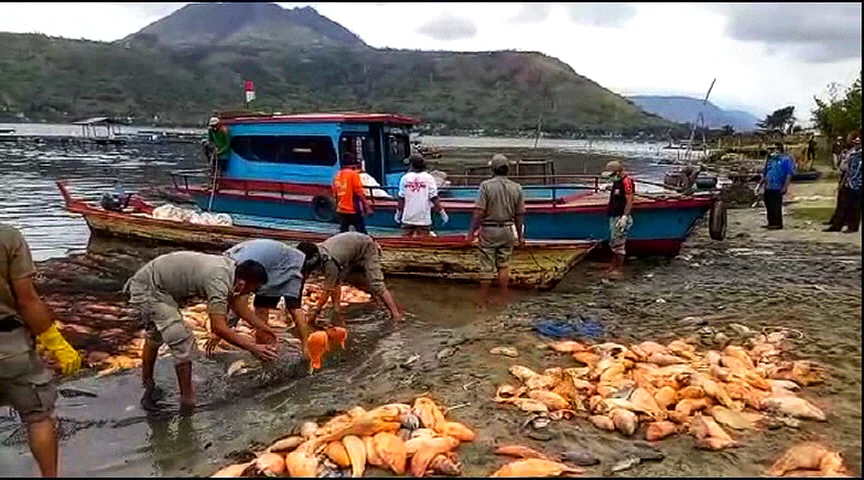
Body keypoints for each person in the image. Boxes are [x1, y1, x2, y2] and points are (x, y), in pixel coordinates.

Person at [124, 251, 279, 412]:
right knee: (182, 339)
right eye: (251, 290)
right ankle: (187, 399)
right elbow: (219, 327)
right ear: (242, 283)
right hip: (150, 289)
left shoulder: (231, 273)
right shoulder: (218, 281)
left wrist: (266, 329)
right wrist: (253, 347)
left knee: (155, 334)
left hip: (159, 285)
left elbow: (240, 307)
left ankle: (147, 382)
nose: (250, 294)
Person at [1, 224, 82, 477]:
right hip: (9, 347)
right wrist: (55, 341)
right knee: (37, 416)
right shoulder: (7, 237)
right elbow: (27, 300)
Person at [296, 232, 403, 325]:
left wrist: (314, 314)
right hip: (348, 251)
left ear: (314, 257)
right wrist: (297, 302)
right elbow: (304, 276)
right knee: (338, 281)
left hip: (366, 245)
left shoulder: (329, 263)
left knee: (376, 283)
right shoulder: (311, 254)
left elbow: (327, 290)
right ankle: (337, 309)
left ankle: (395, 315)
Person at [222, 239, 311, 347]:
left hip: (286, 266)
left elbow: (238, 304)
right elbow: (234, 302)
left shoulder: (238, 269)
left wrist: (222, 328)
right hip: (273, 261)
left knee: (292, 307)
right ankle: (262, 343)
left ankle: (306, 345)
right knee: (258, 308)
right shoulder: (228, 267)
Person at [466, 154, 525, 302]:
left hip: (489, 231)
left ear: (492, 169)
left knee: (487, 267)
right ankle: (503, 297)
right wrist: (521, 236)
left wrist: (470, 233)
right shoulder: (517, 188)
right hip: (507, 230)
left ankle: (482, 302)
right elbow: (519, 215)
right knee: (503, 265)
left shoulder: (486, 186)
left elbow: (479, 211)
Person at [395, 153, 449, 237]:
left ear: (411, 164)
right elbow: (434, 198)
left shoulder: (405, 178)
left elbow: (401, 198)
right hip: (423, 218)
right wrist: (442, 212)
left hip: (408, 218)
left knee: (405, 243)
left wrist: (398, 213)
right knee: (422, 243)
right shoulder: (429, 178)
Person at [603, 160, 635, 278]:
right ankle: (613, 266)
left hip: (621, 217)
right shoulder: (616, 182)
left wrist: (625, 216)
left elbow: (629, 200)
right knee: (613, 242)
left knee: (619, 244)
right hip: (614, 215)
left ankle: (619, 269)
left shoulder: (626, 182)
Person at [826, 132, 861, 233]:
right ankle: (837, 225)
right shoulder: (851, 153)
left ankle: (852, 226)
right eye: (855, 142)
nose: (856, 144)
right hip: (848, 181)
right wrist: (843, 182)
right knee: (843, 204)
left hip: (858, 183)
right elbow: (847, 169)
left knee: (856, 206)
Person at [756, 143, 796, 230]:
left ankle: (777, 224)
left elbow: (789, 174)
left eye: (772, 149)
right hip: (768, 185)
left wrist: (785, 186)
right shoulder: (770, 160)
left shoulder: (785, 160)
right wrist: (760, 185)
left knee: (776, 205)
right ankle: (771, 222)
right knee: (768, 204)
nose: (770, 151)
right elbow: (765, 173)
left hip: (778, 185)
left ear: (778, 149)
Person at [332, 153, 372, 234]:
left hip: (341, 210)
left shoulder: (337, 175)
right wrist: (367, 207)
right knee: (362, 233)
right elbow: (359, 192)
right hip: (353, 209)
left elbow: (335, 193)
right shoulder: (353, 174)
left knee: (343, 233)